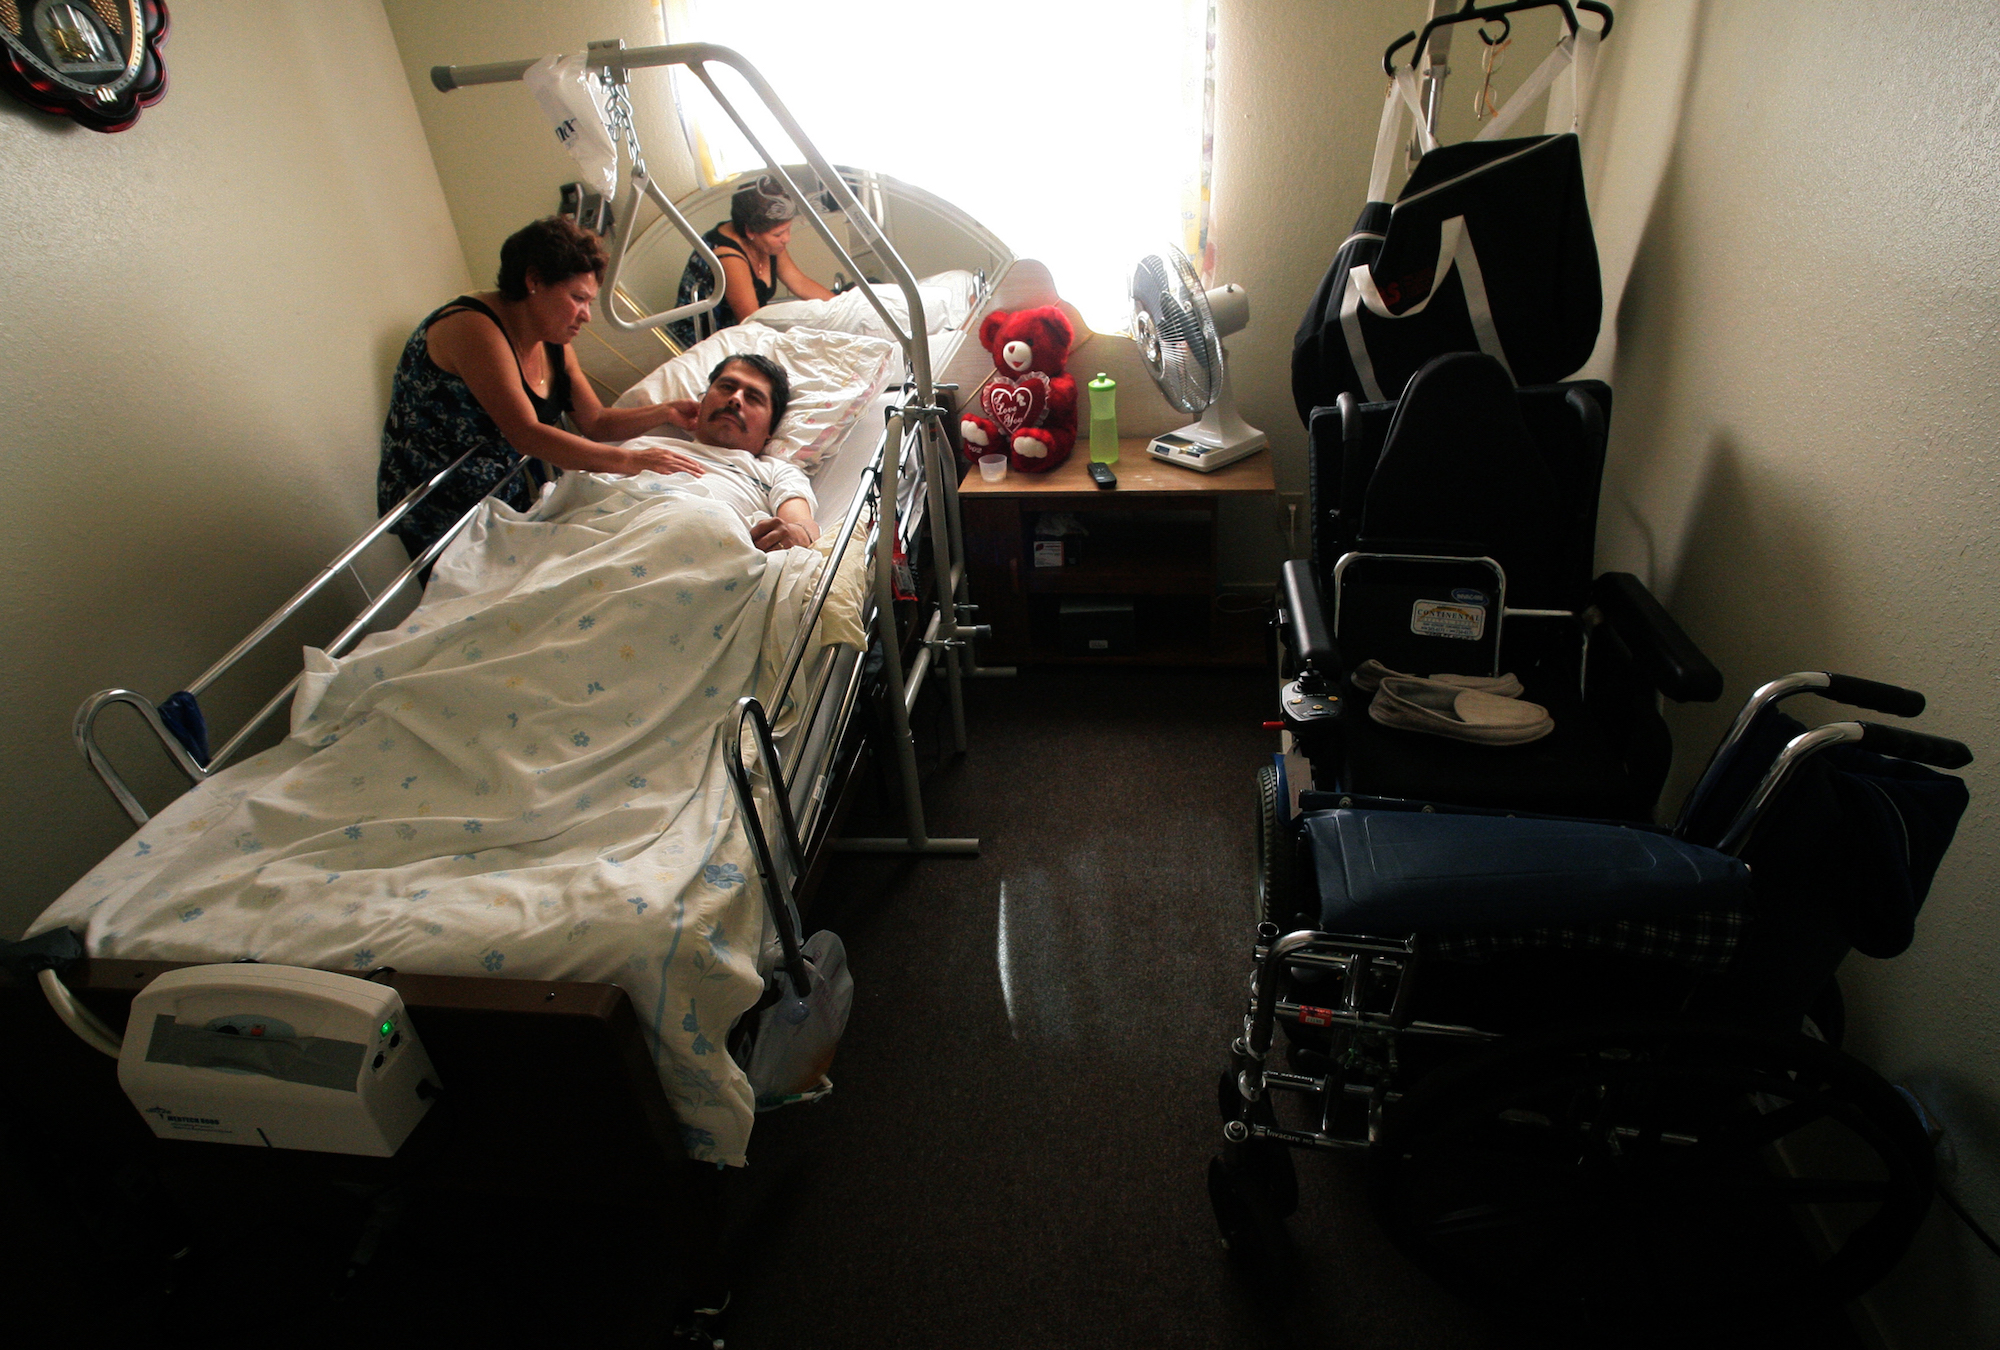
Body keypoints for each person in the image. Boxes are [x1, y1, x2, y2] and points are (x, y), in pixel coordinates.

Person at [378, 216, 710, 560]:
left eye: (590, 303)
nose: (586, 315)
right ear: (534, 281)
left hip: (500, 488)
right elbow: (527, 434)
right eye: (578, 298)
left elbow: (595, 421)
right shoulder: (473, 328)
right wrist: (631, 459)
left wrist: (667, 411)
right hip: (437, 502)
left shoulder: (552, 339)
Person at [648, 352, 820, 553]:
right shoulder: (643, 447)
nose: (735, 399)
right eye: (727, 387)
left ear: (770, 431)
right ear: (701, 402)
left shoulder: (776, 472)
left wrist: (795, 534)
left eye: (753, 398)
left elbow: (803, 528)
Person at [667, 176, 834, 349]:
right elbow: (751, 322)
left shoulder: (767, 242)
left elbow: (799, 282)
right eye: (778, 234)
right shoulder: (728, 258)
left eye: (788, 229)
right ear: (750, 231)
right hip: (700, 346)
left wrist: (841, 307)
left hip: (743, 334)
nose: (787, 239)